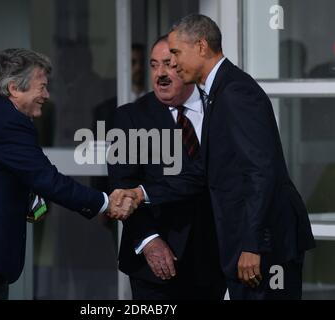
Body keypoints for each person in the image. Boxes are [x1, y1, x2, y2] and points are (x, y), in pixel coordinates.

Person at [109, 14, 316, 300]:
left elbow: (261, 172)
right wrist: (140, 193)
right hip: (231, 251)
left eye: (176, 55)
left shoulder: (234, 93)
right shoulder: (220, 92)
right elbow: (203, 172)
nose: (173, 65)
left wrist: (252, 244)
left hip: (264, 245)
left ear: (202, 47)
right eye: (157, 63)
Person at [0, 48, 136, 300]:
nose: (46, 95)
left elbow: (11, 181)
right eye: (42, 87)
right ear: (14, 88)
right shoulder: (8, 122)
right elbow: (47, 178)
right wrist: (105, 203)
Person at [108, 35, 225, 300]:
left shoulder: (219, 109)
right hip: (155, 264)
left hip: (211, 258)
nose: (160, 73)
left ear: (187, 66)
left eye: (169, 65)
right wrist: (149, 240)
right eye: (153, 65)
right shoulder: (129, 118)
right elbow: (122, 187)